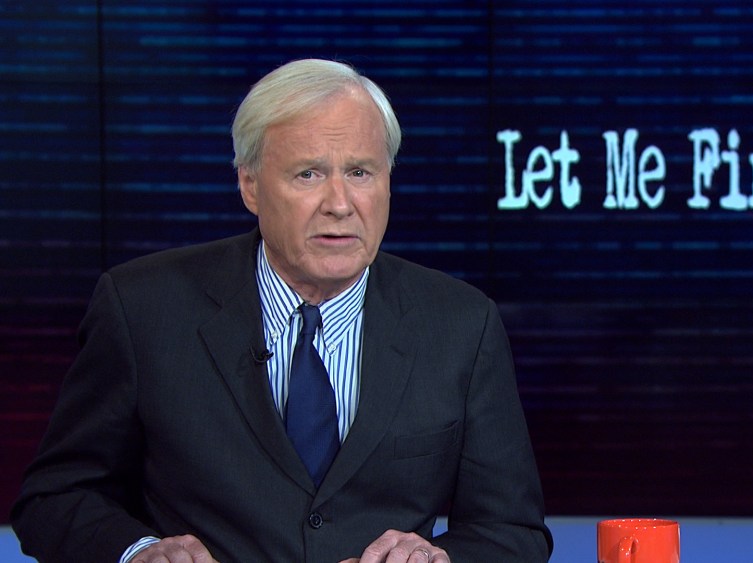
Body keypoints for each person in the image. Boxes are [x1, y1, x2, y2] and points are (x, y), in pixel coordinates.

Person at [11, 58, 552, 563]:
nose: (339, 204)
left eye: (361, 173)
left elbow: (513, 529)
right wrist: (139, 551)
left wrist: (440, 559)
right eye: (308, 174)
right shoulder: (142, 308)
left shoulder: (461, 325)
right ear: (249, 184)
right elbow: (54, 498)